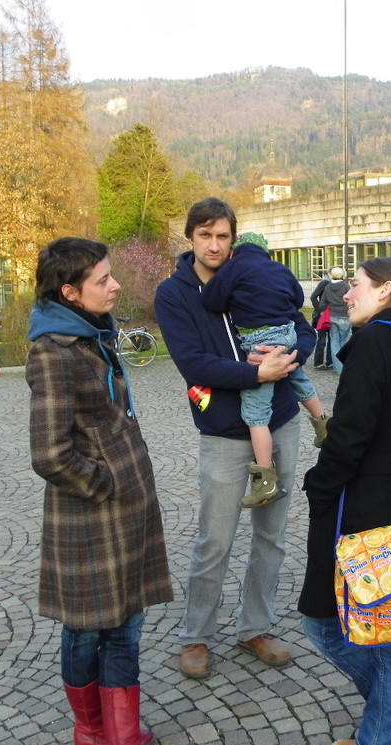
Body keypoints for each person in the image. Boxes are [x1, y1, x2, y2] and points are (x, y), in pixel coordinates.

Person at [26, 237, 173, 745]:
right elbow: (49, 454)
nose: (115, 286)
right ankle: (94, 732)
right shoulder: (54, 352)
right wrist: (106, 483)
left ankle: (121, 741)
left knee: (126, 625)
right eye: (103, 280)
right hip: (90, 516)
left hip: (128, 512)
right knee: (88, 628)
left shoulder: (95, 334)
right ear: (70, 292)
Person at [154, 197, 308, 680]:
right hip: (223, 430)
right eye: (205, 235)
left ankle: (255, 627)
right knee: (215, 539)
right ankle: (196, 635)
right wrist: (256, 372)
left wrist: (291, 356)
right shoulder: (174, 293)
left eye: (223, 235)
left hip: (281, 420)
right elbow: (193, 362)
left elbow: (303, 327)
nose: (214, 245)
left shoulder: (258, 272)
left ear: (234, 238)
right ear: (190, 238)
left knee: (271, 536)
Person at [298, 257, 391, 745]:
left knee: (325, 626)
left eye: (355, 285)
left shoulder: (375, 342)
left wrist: (318, 486)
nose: (346, 294)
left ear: (384, 291)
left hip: (361, 511)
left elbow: (349, 436)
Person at [200, 232, 328, 507]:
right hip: (288, 333)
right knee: (299, 378)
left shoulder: (234, 267)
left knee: (256, 413)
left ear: (234, 251)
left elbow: (212, 300)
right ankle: (325, 426)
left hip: (260, 342)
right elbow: (297, 298)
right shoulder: (279, 267)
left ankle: (265, 480)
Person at [320, 266, 351, 373]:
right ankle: (344, 366)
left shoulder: (328, 287)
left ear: (331, 275)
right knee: (344, 342)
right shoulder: (346, 286)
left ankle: (338, 368)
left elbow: (322, 302)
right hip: (345, 316)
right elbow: (350, 299)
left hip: (332, 316)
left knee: (334, 343)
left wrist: (322, 311)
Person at [310, 270, 335, 369]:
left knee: (331, 339)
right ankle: (318, 363)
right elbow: (313, 297)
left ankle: (330, 361)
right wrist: (320, 310)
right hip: (323, 315)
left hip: (333, 313)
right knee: (322, 340)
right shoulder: (324, 283)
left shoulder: (337, 284)